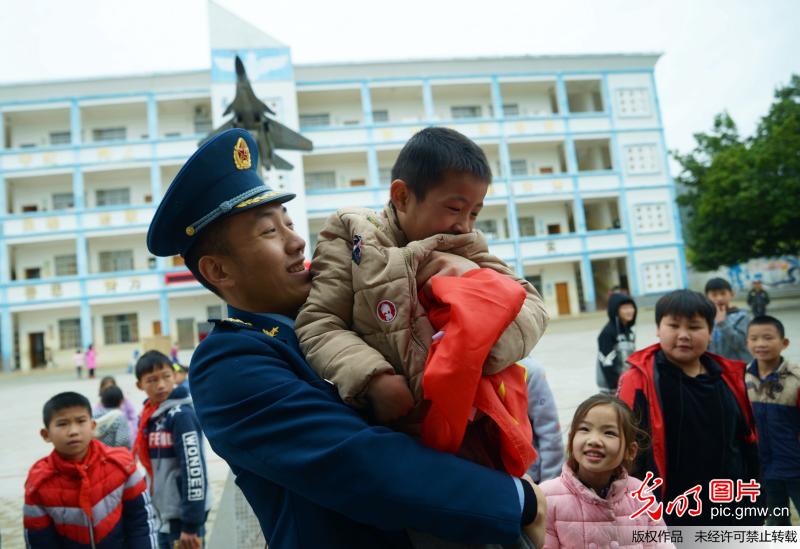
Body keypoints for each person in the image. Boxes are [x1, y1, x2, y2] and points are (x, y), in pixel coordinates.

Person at [145, 128, 546, 548]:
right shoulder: (229, 363)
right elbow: (361, 462)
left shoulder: (352, 301)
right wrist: (517, 501)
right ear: (218, 270)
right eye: (269, 232)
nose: (297, 241)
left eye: (289, 224)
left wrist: (461, 282)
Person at [295, 127, 548, 471]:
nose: (464, 225)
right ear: (402, 196)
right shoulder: (356, 236)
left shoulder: (467, 247)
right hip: (390, 436)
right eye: (454, 208)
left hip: (467, 436)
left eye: (474, 213)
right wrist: (372, 378)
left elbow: (532, 306)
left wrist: (473, 350)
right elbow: (319, 323)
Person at [618, 289, 761, 525]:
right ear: (658, 328)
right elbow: (626, 451)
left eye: (694, 327)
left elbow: (747, 443)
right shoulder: (639, 380)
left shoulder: (729, 378)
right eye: (673, 326)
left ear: (711, 332)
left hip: (729, 510)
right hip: (668, 515)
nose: (683, 335)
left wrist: (755, 503)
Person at [23, 391, 157, 547]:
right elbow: (39, 540)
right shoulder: (39, 482)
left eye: (81, 421)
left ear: (93, 426)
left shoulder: (122, 464)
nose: (73, 431)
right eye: (62, 424)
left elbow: (140, 521)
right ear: (46, 434)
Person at [540, 394, 668, 548]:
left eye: (609, 433)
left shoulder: (641, 494)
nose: (594, 440)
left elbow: (661, 543)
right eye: (585, 429)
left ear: (630, 451)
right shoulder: (547, 497)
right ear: (571, 440)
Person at [134, 350, 212, 549]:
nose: (161, 385)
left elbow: (194, 468)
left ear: (175, 376)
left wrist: (191, 524)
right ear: (139, 385)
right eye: (152, 380)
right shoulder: (150, 418)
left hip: (184, 520)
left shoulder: (180, 416)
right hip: (162, 516)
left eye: (166, 376)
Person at [745, 315, 800, 526]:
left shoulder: (796, 379)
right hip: (764, 469)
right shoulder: (742, 379)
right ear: (747, 343)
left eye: (768, 338)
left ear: (784, 343)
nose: (760, 344)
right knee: (776, 522)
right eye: (754, 338)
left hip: (795, 465)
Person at [520, 356, 563, 483]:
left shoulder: (530, 371)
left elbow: (549, 430)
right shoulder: (474, 367)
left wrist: (550, 481)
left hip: (530, 478)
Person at [596, 293, 637, 395]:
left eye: (631, 307)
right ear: (615, 310)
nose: (629, 311)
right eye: (625, 308)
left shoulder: (628, 331)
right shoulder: (607, 333)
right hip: (612, 389)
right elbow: (606, 363)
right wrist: (616, 388)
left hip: (626, 384)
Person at [705, 277, 751, 362]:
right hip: (715, 366)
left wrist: (722, 323)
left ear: (732, 294)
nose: (719, 298)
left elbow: (740, 343)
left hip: (738, 366)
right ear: (707, 297)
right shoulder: (705, 318)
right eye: (714, 295)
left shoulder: (742, 317)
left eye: (723, 293)